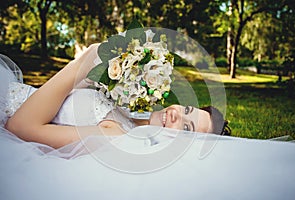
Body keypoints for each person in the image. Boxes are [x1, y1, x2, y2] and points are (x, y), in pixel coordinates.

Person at [1, 43, 229, 150]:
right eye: (187, 110)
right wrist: (99, 74)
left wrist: (80, 64)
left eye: (186, 128)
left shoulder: (115, 135)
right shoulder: (132, 108)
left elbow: (20, 127)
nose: (176, 114)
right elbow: (63, 95)